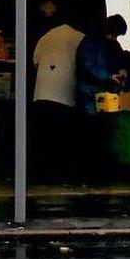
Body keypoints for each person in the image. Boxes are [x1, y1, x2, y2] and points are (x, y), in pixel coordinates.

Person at [31, 19, 85, 173]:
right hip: (64, 96)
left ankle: (42, 167)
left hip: (41, 94)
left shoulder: (46, 37)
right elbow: (84, 64)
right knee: (61, 135)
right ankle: (58, 169)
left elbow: (35, 62)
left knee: (43, 135)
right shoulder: (79, 37)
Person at [75, 15, 129, 115]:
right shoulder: (90, 42)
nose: (115, 38)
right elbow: (88, 66)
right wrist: (109, 76)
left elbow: (120, 59)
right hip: (89, 93)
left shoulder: (113, 44)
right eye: (114, 35)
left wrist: (122, 69)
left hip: (105, 92)